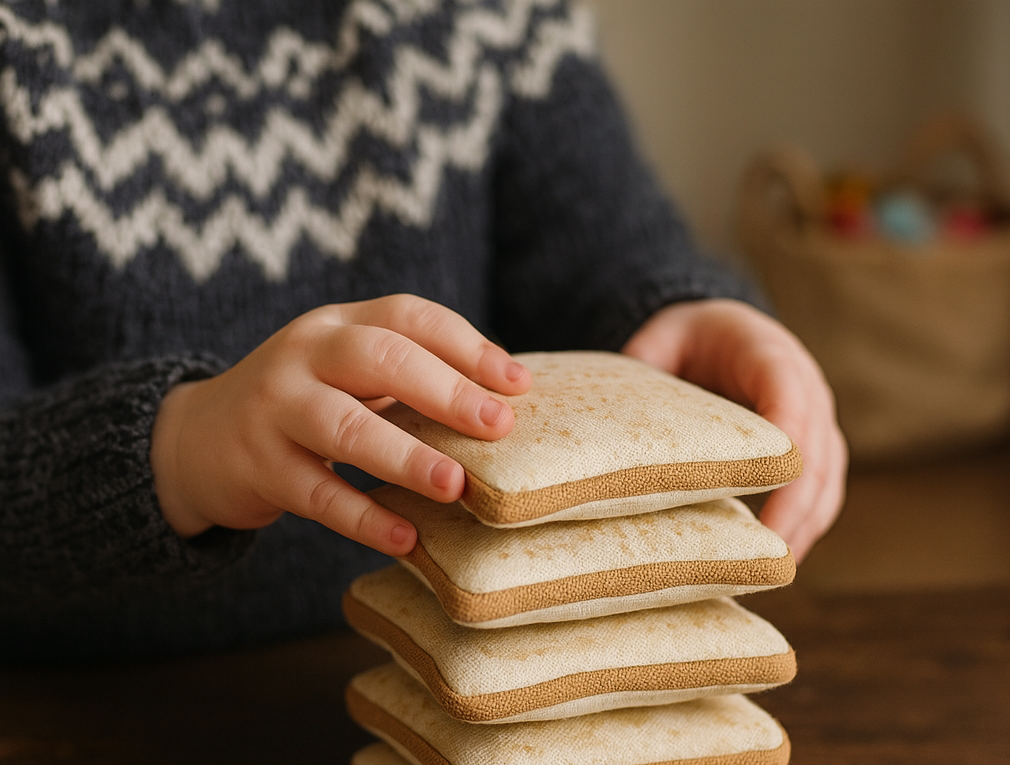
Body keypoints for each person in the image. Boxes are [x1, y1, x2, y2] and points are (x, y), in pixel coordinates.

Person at [0, 0, 845, 663]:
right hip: (87, 719)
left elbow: (607, 253)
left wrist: (689, 312)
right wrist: (180, 448)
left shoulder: (483, 15)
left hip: (462, 655)